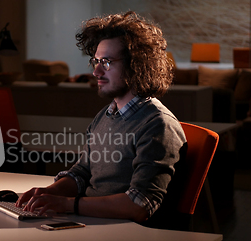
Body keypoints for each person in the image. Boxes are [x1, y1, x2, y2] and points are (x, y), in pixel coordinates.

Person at [16, 11, 186, 223]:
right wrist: (48, 193)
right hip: (88, 221)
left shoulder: (158, 125)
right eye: (95, 61)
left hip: (121, 237)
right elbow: (82, 172)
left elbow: (139, 205)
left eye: (106, 62)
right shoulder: (106, 115)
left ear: (136, 66)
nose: (96, 71)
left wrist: (68, 204)